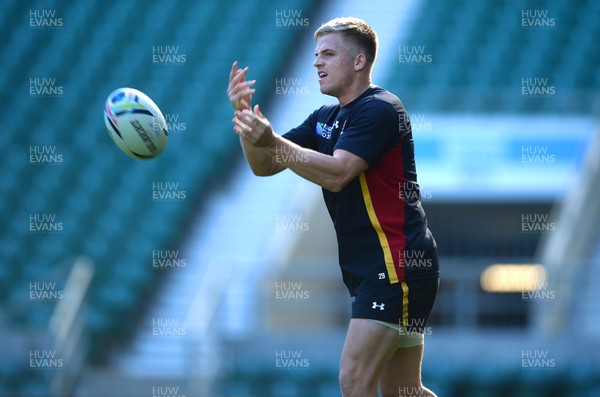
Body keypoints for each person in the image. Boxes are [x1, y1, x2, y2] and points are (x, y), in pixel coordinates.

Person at [227, 16, 439, 397]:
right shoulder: (325, 117)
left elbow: (339, 173)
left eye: (328, 53)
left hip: (395, 264)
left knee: (353, 379)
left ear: (359, 62)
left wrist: (271, 139)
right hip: (381, 266)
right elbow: (265, 165)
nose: (316, 62)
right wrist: (246, 124)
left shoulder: (380, 108)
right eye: (315, 54)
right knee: (403, 391)